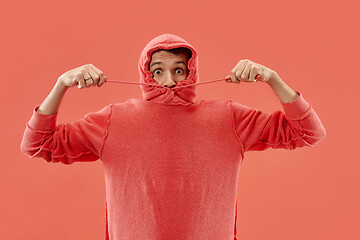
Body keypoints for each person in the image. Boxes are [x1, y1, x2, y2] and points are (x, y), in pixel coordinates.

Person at [20, 33, 326, 240]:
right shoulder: (115, 119)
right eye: (158, 71)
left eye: (179, 70)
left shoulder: (228, 117)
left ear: (192, 71)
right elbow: (38, 143)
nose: (169, 82)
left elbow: (307, 132)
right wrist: (61, 84)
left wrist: (272, 79)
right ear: (145, 73)